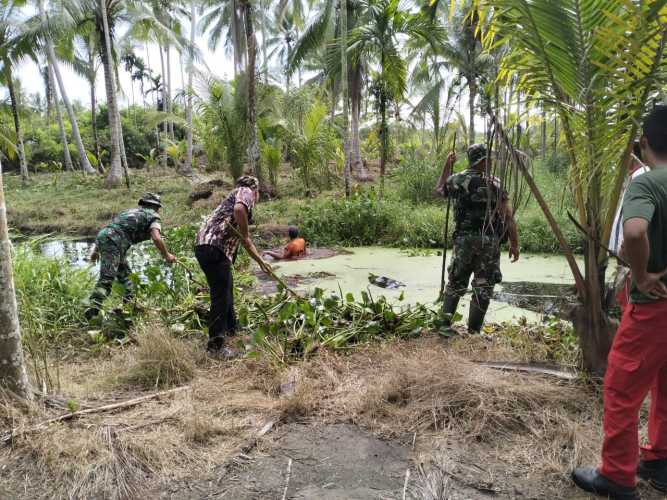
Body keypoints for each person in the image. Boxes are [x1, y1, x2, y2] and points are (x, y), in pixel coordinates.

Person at [572, 106, 667, 500]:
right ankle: (660, 461)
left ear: (644, 142)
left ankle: (616, 476)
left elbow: (634, 230)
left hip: (653, 308)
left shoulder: (646, 184)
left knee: (621, 389)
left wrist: (642, 275)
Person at [434, 143, 520, 333]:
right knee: (483, 287)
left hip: (463, 242)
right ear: (483, 160)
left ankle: (444, 327)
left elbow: (440, 189)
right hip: (488, 243)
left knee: (455, 284)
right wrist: (514, 244)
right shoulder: (496, 183)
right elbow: (508, 216)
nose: (491, 161)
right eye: (489, 158)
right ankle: (473, 331)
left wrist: (447, 166)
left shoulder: (457, 180)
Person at [195, 175, 272, 357]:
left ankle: (231, 329)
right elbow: (239, 211)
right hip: (214, 248)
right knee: (220, 296)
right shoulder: (245, 192)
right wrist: (245, 234)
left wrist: (261, 262)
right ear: (256, 191)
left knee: (227, 289)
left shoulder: (235, 202)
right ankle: (216, 346)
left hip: (208, 248)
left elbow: (246, 242)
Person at [86, 193, 176, 320]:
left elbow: (109, 229)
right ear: (156, 207)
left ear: (142, 204)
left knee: (127, 278)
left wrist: (95, 251)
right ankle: (92, 310)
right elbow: (156, 237)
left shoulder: (129, 212)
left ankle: (129, 307)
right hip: (114, 242)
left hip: (106, 237)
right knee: (107, 278)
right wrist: (167, 255)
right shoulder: (154, 216)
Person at [609, 142, 651, 313]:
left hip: (630, 254)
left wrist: (624, 247)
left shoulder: (640, 176)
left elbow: (633, 219)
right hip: (630, 252)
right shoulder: (637, 176)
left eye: (622, 155)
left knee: (630, 304)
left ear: (632, 155)